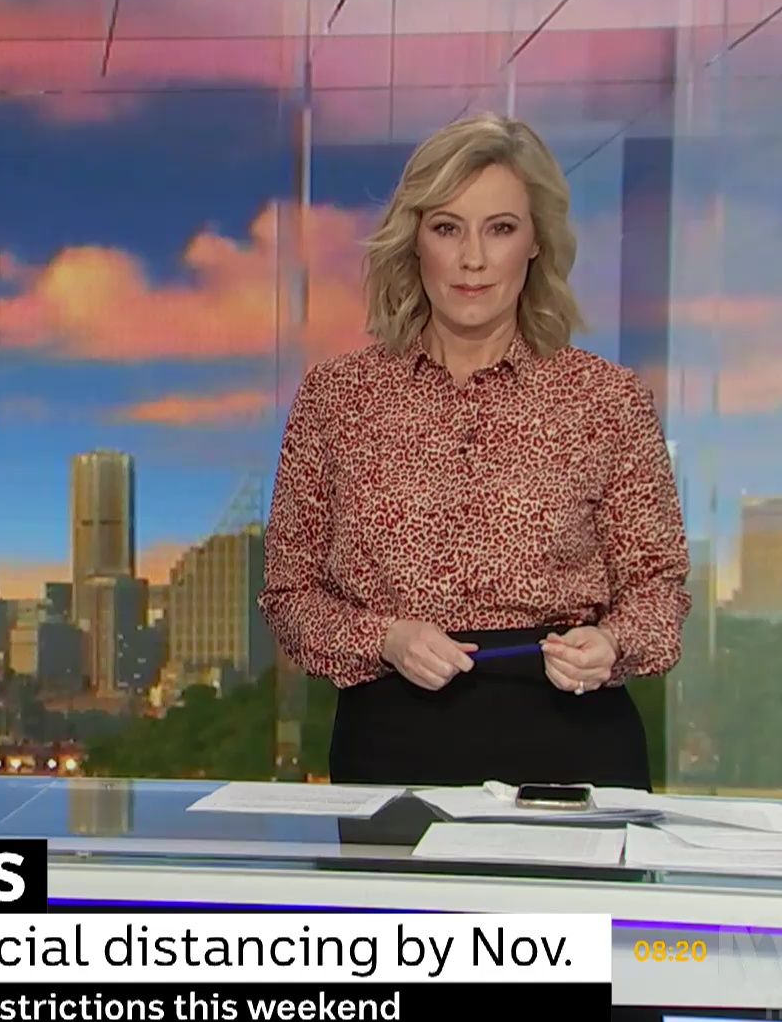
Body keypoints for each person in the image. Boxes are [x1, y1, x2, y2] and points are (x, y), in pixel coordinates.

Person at [260, 112, 690, 792]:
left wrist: (612, 645)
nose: (473, 259)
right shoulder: (337, 397)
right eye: (447, 228)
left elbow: (657, 590)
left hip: (571, 746)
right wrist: (386, 640)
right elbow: (289, 597)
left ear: (536, 243)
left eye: (500, 228)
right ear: (414, 240)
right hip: (391, 747)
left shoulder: (606, 399)